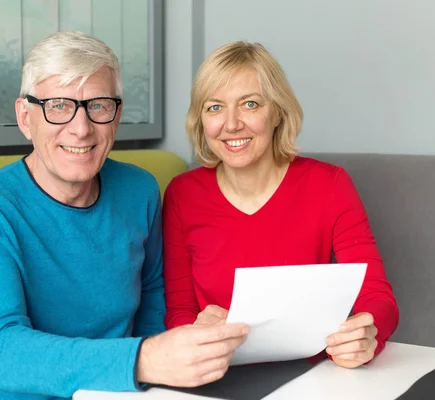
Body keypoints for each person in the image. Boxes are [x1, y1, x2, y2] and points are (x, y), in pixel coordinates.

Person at [0, 31, 249, 400]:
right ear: (25, 117)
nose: (81, 127)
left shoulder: (140, 190)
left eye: (98, 105)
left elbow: (156, 295)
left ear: (117, 115)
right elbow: (0, 349)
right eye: (58, 105)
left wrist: (170, 356)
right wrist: (143, 359)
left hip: (120, 391)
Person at [162, 41, 399, 368]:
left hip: (314, 373)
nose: (231, 124)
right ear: (200, 120)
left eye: (249, 104)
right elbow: (179, 311)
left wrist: (368, 332)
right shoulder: (182, 194)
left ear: (277, 112)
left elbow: (376, 294)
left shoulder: (329, 185)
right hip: (218, 373)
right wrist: (191, 333)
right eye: (214, 107)